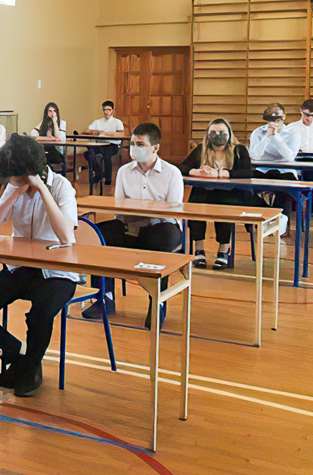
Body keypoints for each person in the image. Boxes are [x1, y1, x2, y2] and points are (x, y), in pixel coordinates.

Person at [0, 135, 78, 398]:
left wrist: (43, 191)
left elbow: (66, 237)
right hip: (21, 268)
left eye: (14, 178)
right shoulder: (14, 187)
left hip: (58, 272)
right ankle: (22, 357)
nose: (10, 182)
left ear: (29, 172)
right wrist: (12, 194)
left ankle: (30, 367)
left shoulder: (62, 187)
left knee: (39, 315)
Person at [82, 123, 182, 323]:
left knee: (162, 239)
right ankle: (104, 298)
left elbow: (172, 211)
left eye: (141, 144)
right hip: (129, 225)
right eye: (133, 144)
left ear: (155, 148)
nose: (135, 148)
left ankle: (157, 303)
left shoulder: (172, 173)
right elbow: (119, 207)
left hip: (159, 227)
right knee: (99, 235)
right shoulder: (124, 172)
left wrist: (144, 212)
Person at [181, 118, 264, 270]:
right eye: (213, 132)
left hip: (230, 193)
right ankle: (199, 248)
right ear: (208, 135)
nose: (218, 136)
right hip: (206, 191)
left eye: (222, 132)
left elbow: (247, 172)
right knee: (195, 203)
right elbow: (182, 167)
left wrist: (221, 173)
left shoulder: (239, 150)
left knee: (224, 207)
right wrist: (195, 171)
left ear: (229, 134)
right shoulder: (201, 150)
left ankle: (224, 248)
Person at [249, 103, 302, 221]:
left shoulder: (293, 133)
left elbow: (289, 157)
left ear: (284, 117)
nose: (275, 122)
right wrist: (267, 136)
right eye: (272, 119)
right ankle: (261, 219)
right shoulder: (258, 132)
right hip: (262, 170)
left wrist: (276, 136)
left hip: (284, 171)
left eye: (278, 119)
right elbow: (255, 155)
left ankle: (281, 222)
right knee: (247, 189)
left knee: (283, 193)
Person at [84, 100, 125, 187]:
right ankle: (98, 172)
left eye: (109, 110)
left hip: (112, 145)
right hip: (100, 144)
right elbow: (87, 131)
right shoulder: (98, 121)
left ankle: (108, 178)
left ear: (112, 111)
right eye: (105, 110)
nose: (107, 112)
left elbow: (121, 134)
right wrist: (96, 132)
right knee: (88, 153)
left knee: (107, 155)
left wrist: (107, 134)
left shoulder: (117, 122)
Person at [30, 102, 68, 173]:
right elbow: (34, 136)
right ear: (46, 112)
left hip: (54, 150)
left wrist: (55, 122)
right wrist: (49, 139)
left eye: (54, 111)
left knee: (52, 158)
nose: (52, 113)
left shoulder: (61, 123)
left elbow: (57, 137)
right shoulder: (43, 123)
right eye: (50, 111)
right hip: (43, 149)